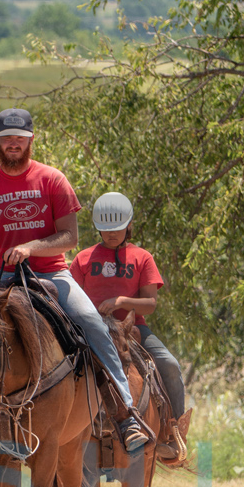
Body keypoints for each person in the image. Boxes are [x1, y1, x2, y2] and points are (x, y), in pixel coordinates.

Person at [0, 108, 149, 453]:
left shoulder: (53, 180)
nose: (13, 143)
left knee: (92, 324)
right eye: (7, 138)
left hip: (52, 273)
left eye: (20, 138)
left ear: (30, 140)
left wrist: (29, 246)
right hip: (3, 278)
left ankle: (124, 413)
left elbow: (69, 237)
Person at [69, 191, 187, 460]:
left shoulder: (142, 257)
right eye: (106, 229)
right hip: (90, 330)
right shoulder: (83, 259)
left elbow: (150, 303)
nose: (111, 235)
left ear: (129, 225)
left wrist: (122, 300)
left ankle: (172, 432)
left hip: (133, 330)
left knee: (169, 365)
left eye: (117, 229)